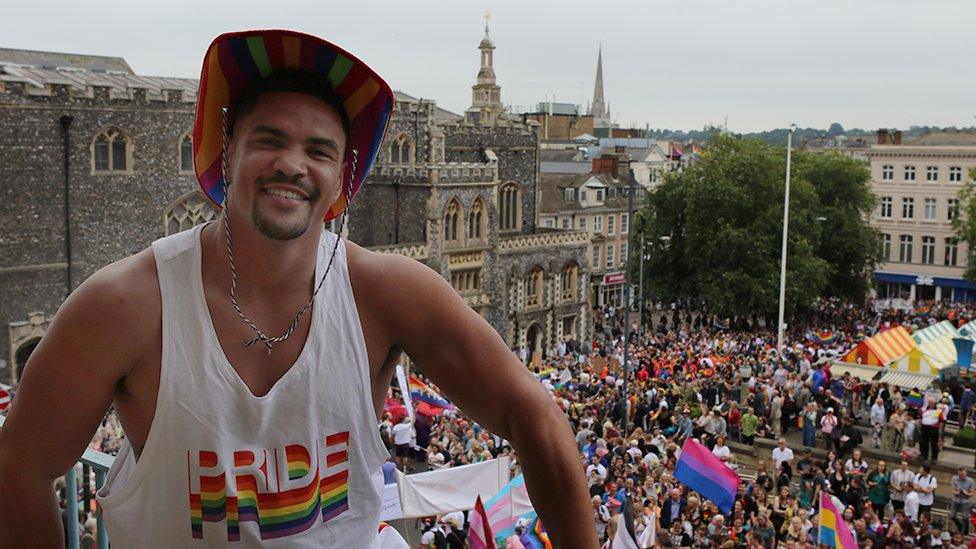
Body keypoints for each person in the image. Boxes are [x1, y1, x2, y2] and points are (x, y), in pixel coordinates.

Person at [0, 30, 595, 547]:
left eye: (319, 150)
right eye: (269, 139)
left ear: (343, 180)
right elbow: (18, 472)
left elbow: (532, 413)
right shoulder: (126, 305)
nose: (292, 164)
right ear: (225, 153)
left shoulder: (387, 294)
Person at [949, 467, 974, 535]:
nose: (961, 477)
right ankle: (960, 525)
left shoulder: (970, 481)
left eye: (963, 475)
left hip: (965, 500)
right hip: (956, 499)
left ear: (966, 474)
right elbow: (953, 490)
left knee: (964, 517)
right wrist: (956, 492)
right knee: (952, 516)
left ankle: (966, 531)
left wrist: (966, 493)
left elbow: (971, 493)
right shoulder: (954, 478)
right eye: (960, 475)